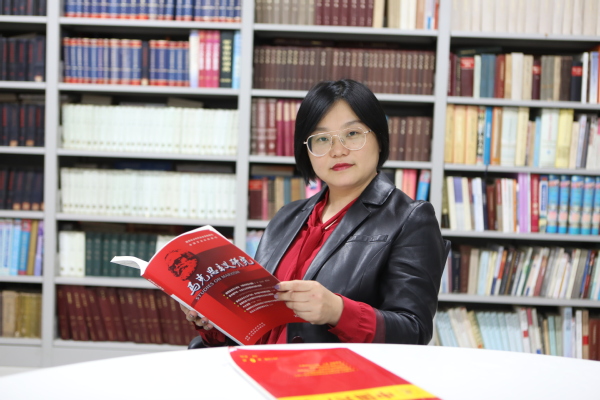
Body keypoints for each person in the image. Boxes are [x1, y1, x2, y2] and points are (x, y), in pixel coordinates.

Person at [182, 79, 449, 345]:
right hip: (261, 364)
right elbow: (260, 325)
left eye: (352, 134)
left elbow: (414, 331)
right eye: (322, 139)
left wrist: (338, 311)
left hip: (333, 370)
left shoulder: (410, 219)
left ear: (379, 138)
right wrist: (215, 320)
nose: (338, 151)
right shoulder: (287, 217)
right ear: (307, 151)